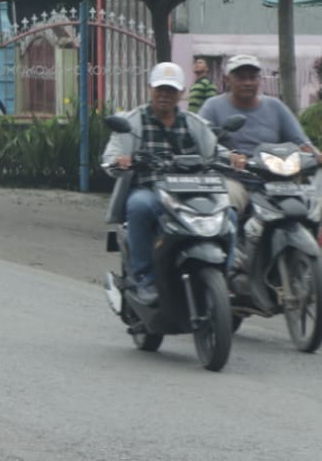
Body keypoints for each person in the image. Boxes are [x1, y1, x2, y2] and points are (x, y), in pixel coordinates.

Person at [101, 61, 225, 306]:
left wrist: (232, 157)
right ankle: (144, 279)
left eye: (171, 90)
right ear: (150, 89)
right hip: (150, 191)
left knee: (228, 217)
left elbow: (215, 150)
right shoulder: (132, 121)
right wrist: (120, 161)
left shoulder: (193, 123)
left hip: (191, 194)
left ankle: (224, 275)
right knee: (137, 206)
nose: (165, 95)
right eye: (160, 89)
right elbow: (110, 157)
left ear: (181, 93)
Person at [198, 54, 319, 217]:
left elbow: (301, 142)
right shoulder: (212, 106)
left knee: (309, 208)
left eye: (252, 77)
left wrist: (315, 155)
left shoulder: (275, 107)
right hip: (235, 179)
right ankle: (230, 241)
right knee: (226, 205)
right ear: (227, 80)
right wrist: (229, 157)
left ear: (259, 80)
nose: (247, 83)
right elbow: (201, 139)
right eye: (240, 78)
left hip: (277, 180)